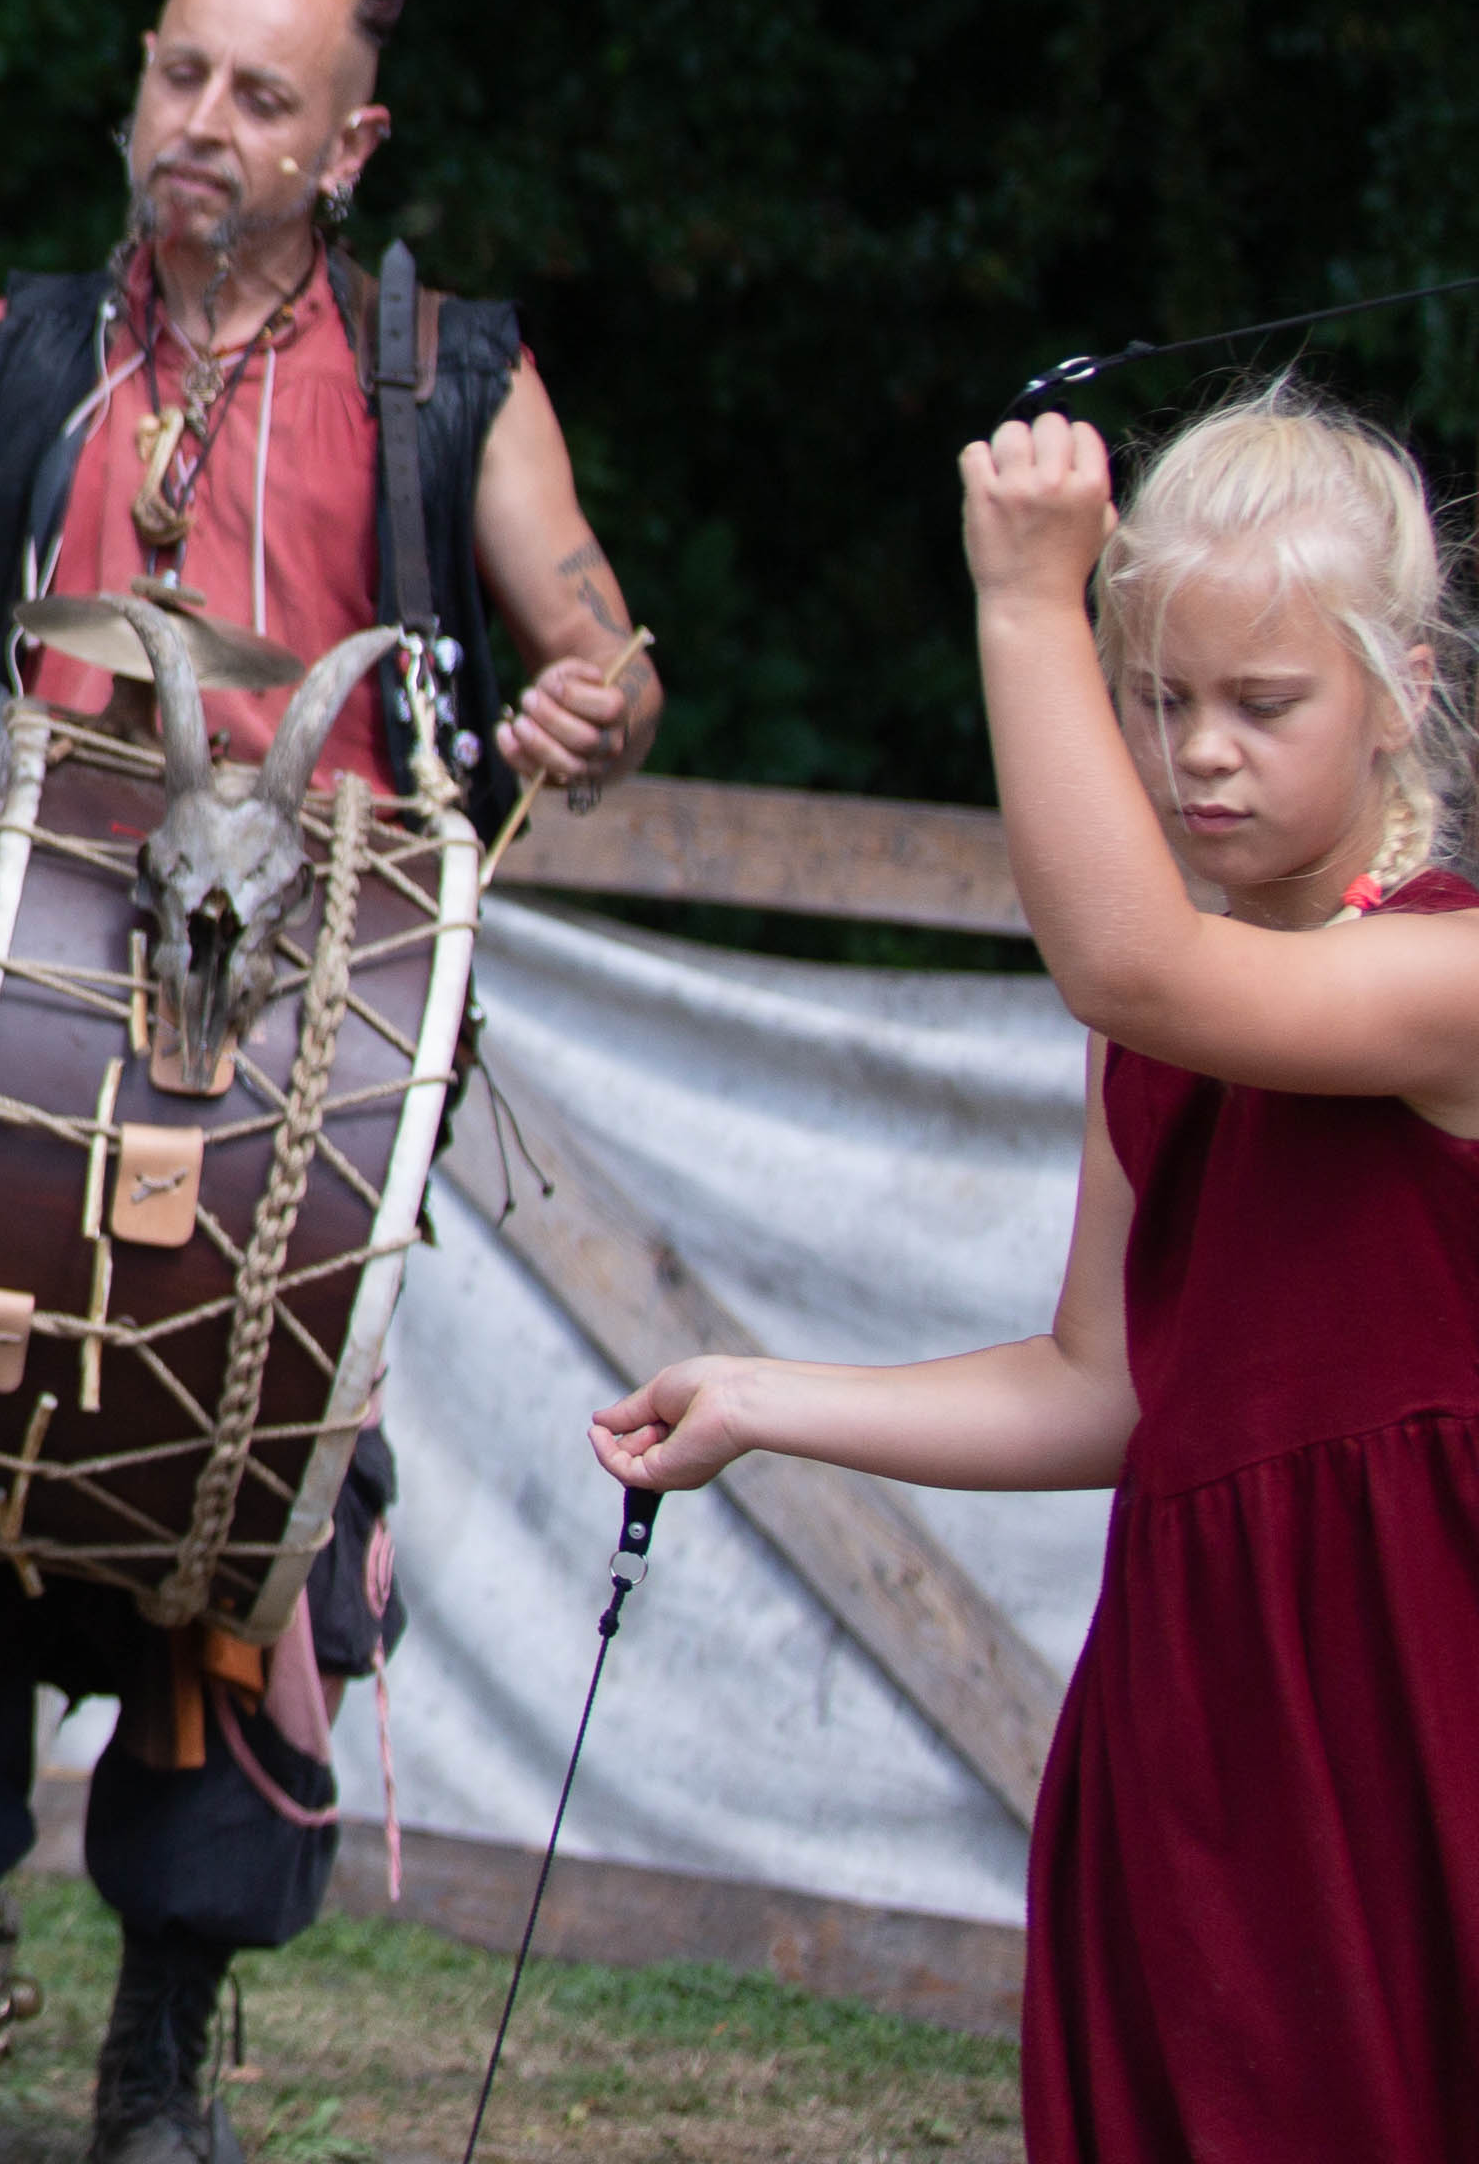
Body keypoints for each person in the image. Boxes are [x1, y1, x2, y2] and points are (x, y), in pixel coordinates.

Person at [0, 0, 666, 2164]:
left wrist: (592, 702)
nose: (202, 126)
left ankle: (160, 2072)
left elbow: (604, 652)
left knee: (244, 1547)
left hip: (299, 1077)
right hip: (18, 1046)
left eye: (260, 97)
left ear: (351, 146)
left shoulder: (448, 379)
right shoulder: (17, 358)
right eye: (179, 77)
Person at [592, 388, 1479, 2154]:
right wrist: (762, 1400)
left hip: (1420, 1692)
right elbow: (1109, 1393)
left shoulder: (1447, 979)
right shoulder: (1147, 1034)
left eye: (1263, 704)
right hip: (1201, 1711)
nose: (1200, 752)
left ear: (1404, 695)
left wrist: (1022, 603)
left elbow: (1136, 964)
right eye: (1158, 698)